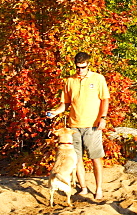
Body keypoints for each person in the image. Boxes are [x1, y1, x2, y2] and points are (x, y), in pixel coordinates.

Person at [46, 52, 110, 200]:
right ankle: (83, 188)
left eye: (83, 67)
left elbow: (105, 100)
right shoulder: (70, 81)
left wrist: (103, 118)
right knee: (77, 159)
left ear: (88, 65)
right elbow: (64, 104)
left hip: (92, 125)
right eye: (78, 67)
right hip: (73, 127)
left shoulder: (98, 79)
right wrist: (54, 112)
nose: (80, 70)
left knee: (95, 158)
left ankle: (99, 188)